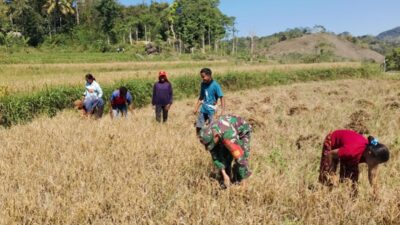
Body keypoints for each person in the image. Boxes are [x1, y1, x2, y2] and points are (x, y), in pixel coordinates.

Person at [319, 129, 390, 197]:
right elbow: (330, 154)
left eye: (378, 163)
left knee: (351, 179)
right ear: (369, 153)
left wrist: (376, 193)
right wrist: (332, 173)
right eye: (375, 162)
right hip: (332, 140)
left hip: (348, 147)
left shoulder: (373, 154)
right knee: (327, 176)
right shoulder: (352, 151)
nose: (375, 165)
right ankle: (326, 195)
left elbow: (373, 176)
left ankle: (349, 198)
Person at [199, 114, 252, 188]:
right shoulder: (208, 134)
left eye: (211, 143)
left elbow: (240, 158)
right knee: (224, 157)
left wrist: (244, 180)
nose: (210, 146)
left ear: (216, 136)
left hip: (242, 131)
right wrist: (224, 175)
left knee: (242, 156)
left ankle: (239, 179)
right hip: (223, 134)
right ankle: (227, 180)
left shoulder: (229, 136)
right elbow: (215, 156)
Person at [194, 68, 225, 135]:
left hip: (212, 110)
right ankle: (198, 138)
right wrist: (196, 108)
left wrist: (222, 111)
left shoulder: (215, 85)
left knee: (213, 127)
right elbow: (201, 97)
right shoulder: (203, 84)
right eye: (201, 77)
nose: (202, 78)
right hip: (203, 109)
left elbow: (222, 98)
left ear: (209, 75)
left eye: (203, 77)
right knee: (199, 125)